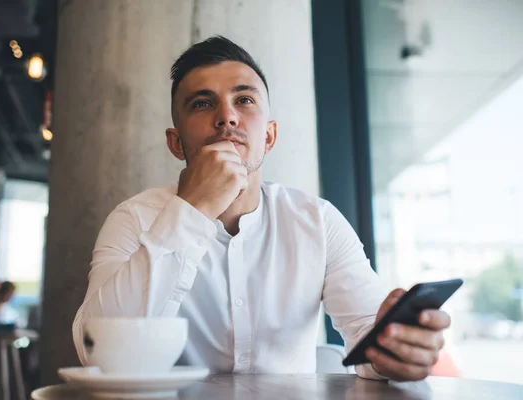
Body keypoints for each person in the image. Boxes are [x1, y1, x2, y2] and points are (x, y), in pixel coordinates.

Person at [72, 36, 451, 382]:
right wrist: (192, 209)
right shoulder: (133, 219)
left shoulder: (317, 221)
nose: (227, 117)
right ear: (176, 143)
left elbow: (371, 340)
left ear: (268, 136)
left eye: (244, 100)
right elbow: (97, 352)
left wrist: (397, 350)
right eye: (202, 103)